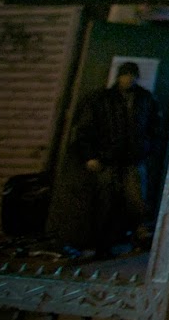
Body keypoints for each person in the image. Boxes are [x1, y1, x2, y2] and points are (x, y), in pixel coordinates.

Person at [55, 61, 161, 258]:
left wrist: (146, 148)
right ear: (119, 76)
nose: (129, 79)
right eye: (126, 75)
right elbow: (86, 129)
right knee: (104, 202)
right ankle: (102, 243)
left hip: (132, 158)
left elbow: (153, 127)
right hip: (108, 159)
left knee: (136, 201)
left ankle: (129, 238)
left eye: (132, 75)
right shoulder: (102, 99)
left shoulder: (144, 99)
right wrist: (91, 156)